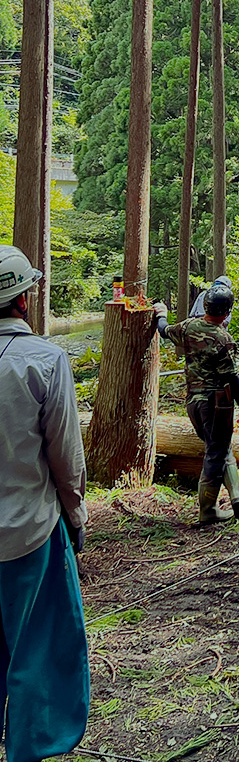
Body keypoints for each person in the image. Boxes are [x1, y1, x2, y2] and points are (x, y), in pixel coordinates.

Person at [0, 245, 90, 762]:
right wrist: (75, 514)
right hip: (30, 533)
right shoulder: (46, 361)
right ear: (24, 300)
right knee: (35, 650)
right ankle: (28, 750)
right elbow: (66, 458)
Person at [153, 283, 239, 523]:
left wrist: (162, 313)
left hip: (193, 404)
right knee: (214, 454)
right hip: (216, 405)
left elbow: (164, 330)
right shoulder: (223, 339)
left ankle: (237, 497)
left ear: (205, 305)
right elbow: (231, 376)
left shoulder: (188, 326)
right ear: (227, 311)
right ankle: (207, 510)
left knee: (221, 448)